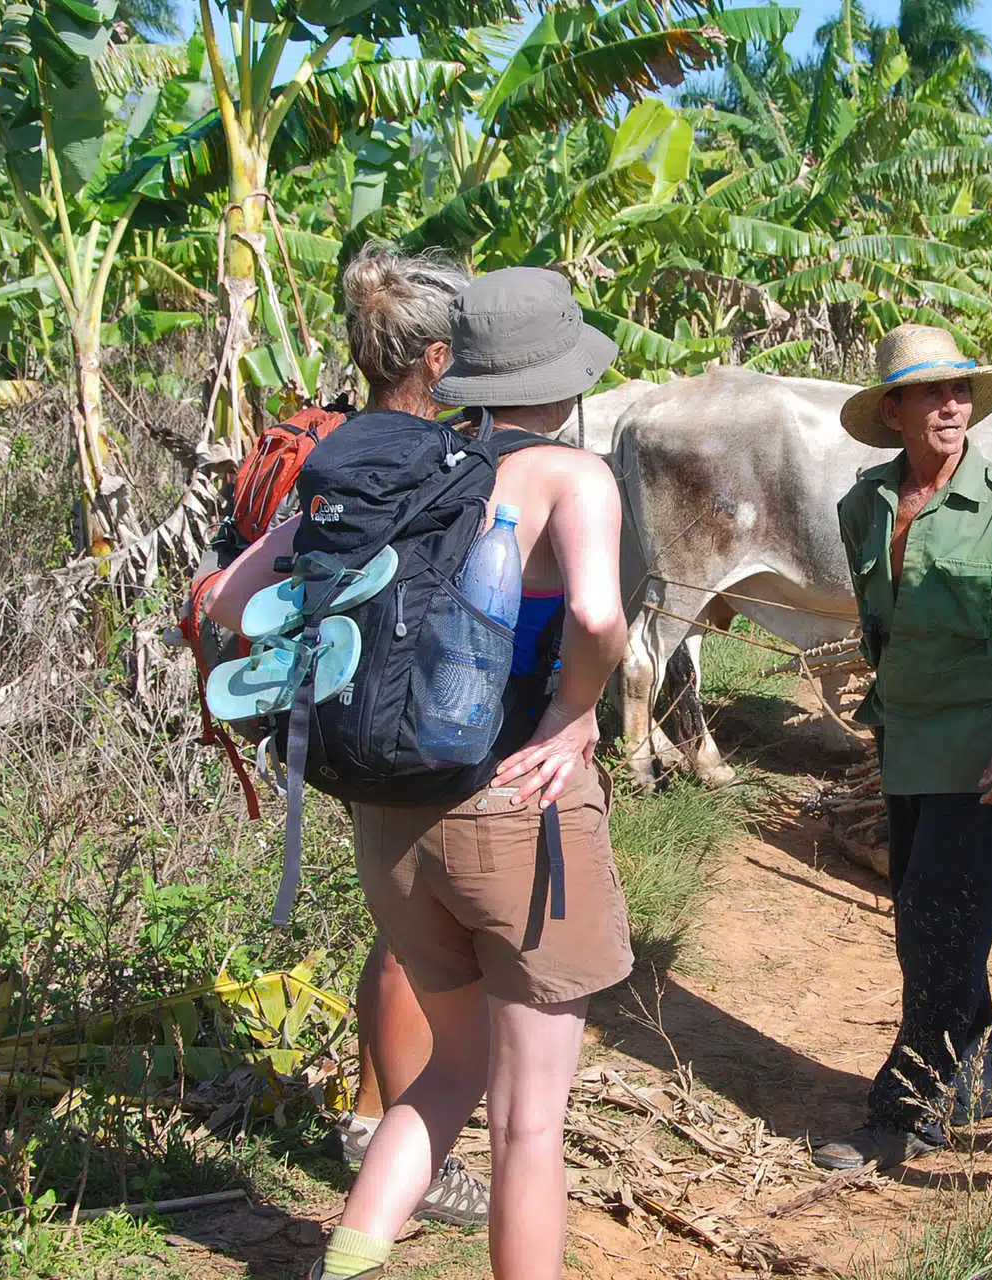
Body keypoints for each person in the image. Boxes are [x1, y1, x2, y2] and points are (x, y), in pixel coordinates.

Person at [209, 267, 634, 1280]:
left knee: (447, 1073)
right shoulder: (571, 475)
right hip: (515, 808)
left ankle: (342, 1264)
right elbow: (599, 616)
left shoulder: (396, 468)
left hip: (391, 822)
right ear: (566, 375)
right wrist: (574, 714)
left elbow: (227, 600)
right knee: (531, 1120)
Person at [192, 247, 489, 1225]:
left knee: (399, 931)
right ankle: (395, 1136)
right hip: (419, 733)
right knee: (418, 944)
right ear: (437, 359)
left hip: (341, 723)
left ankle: (376, 1114)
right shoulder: (448, 462)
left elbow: (227, 596)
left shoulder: (332, 455)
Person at [813, 324, 992, 1172]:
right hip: (906, 750)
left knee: (940, 933)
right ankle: (983, 1080)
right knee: (930, 930)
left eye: (960, 391)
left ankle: (902, 1111)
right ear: (893, 409)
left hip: (983, 760)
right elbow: (881, 630)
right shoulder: (865, 505)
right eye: (930, 392)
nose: (950, 406)